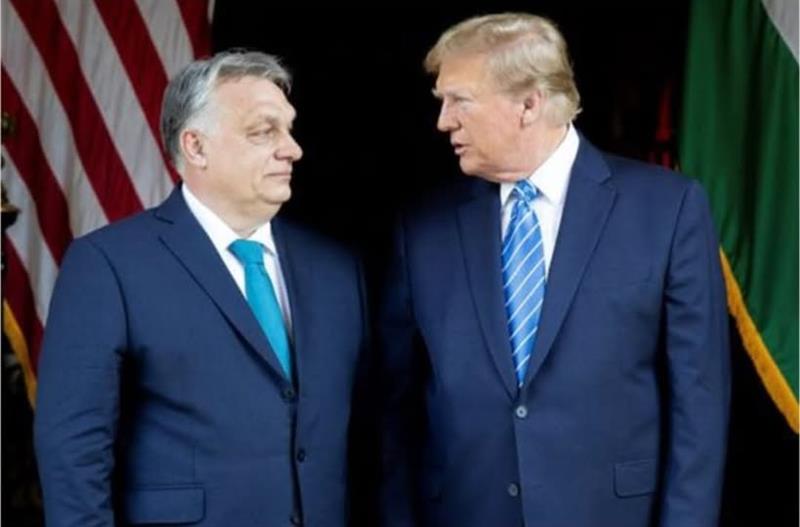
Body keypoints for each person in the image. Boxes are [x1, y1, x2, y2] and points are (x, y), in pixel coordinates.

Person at [379, 13, 730, 527]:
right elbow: (395, 410)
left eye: (459, 101)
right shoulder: (422, 230)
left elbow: (698, 403)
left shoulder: (667, 209)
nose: (444, 121)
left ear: (529, 103)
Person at [35, 50, 368, 527]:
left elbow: (372, 435)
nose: (292, 149)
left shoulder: (337, 270)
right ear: (195, 147)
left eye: (289, 129)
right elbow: (73, 451)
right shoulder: (107, 265)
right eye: (264, 131)